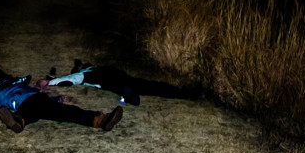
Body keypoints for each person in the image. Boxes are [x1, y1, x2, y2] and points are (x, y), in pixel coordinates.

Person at [0, 78, 124, 133]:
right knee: (62, 112)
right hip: (31, 102)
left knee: (62, 111)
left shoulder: (19, 85)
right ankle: (100, 120)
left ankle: (19, 121)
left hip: (37, 102)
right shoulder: (0, 93)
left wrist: (57, 98)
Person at [42, 58, 202, 105]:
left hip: (129, 80)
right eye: (81, 66)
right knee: (139, 91)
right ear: (80, 69)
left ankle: (189, 93)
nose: (85, 64)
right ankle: (129, 97)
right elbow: (70, 79)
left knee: (158, 87)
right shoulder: (83, 75)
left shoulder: (91, 68)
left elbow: (78, 68)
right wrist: (50, 82)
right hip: (121, 84)